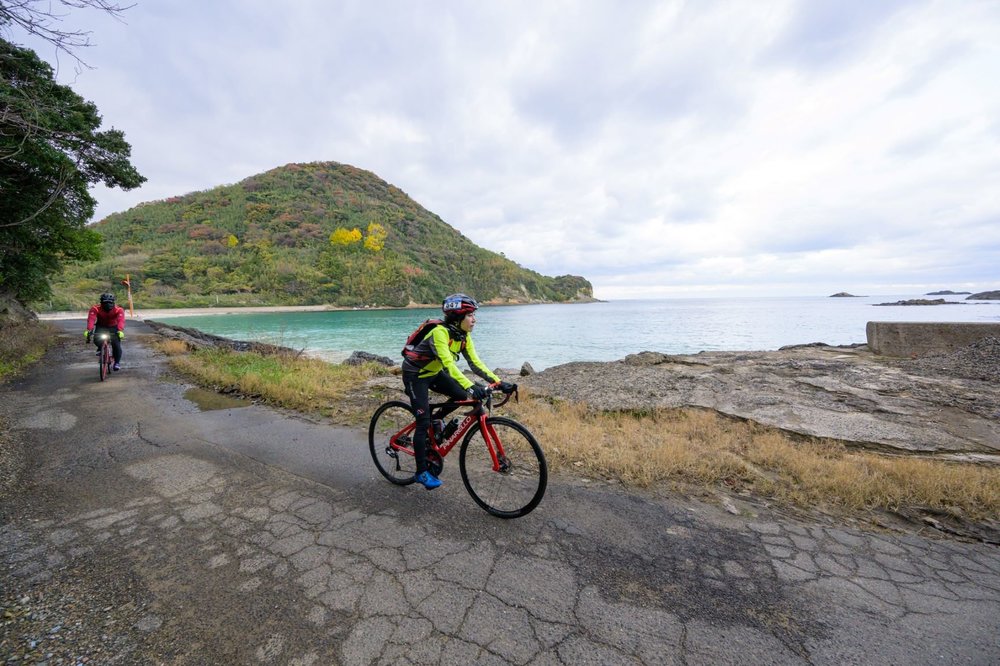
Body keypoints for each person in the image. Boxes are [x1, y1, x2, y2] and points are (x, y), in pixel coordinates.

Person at [401, 293, 514, 490]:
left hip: (434, 373)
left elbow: (475, 363)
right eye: (470, 315)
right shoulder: (439, 333)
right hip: (415, 376)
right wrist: (471, 386)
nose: (474, 319)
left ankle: (435, 422)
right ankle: (421, 472)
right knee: (422, 422)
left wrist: (498, 381)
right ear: (457, 317)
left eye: (474, 315)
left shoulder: (463, 337)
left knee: (460, 396)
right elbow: (450, 366)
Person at [86, 292, 126, 371]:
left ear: (113, 302)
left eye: (110, 302)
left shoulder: (119, 310)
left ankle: (117, 363)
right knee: (96, 339)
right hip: (101, 326)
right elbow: (91, 319)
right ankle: (100, 348)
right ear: (101, 303)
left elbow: (121, 320)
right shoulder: (95, 308)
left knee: (116, 345)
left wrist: (120, 330)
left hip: (114, 327)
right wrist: (89, 329)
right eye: (105, 302)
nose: (108, 304)